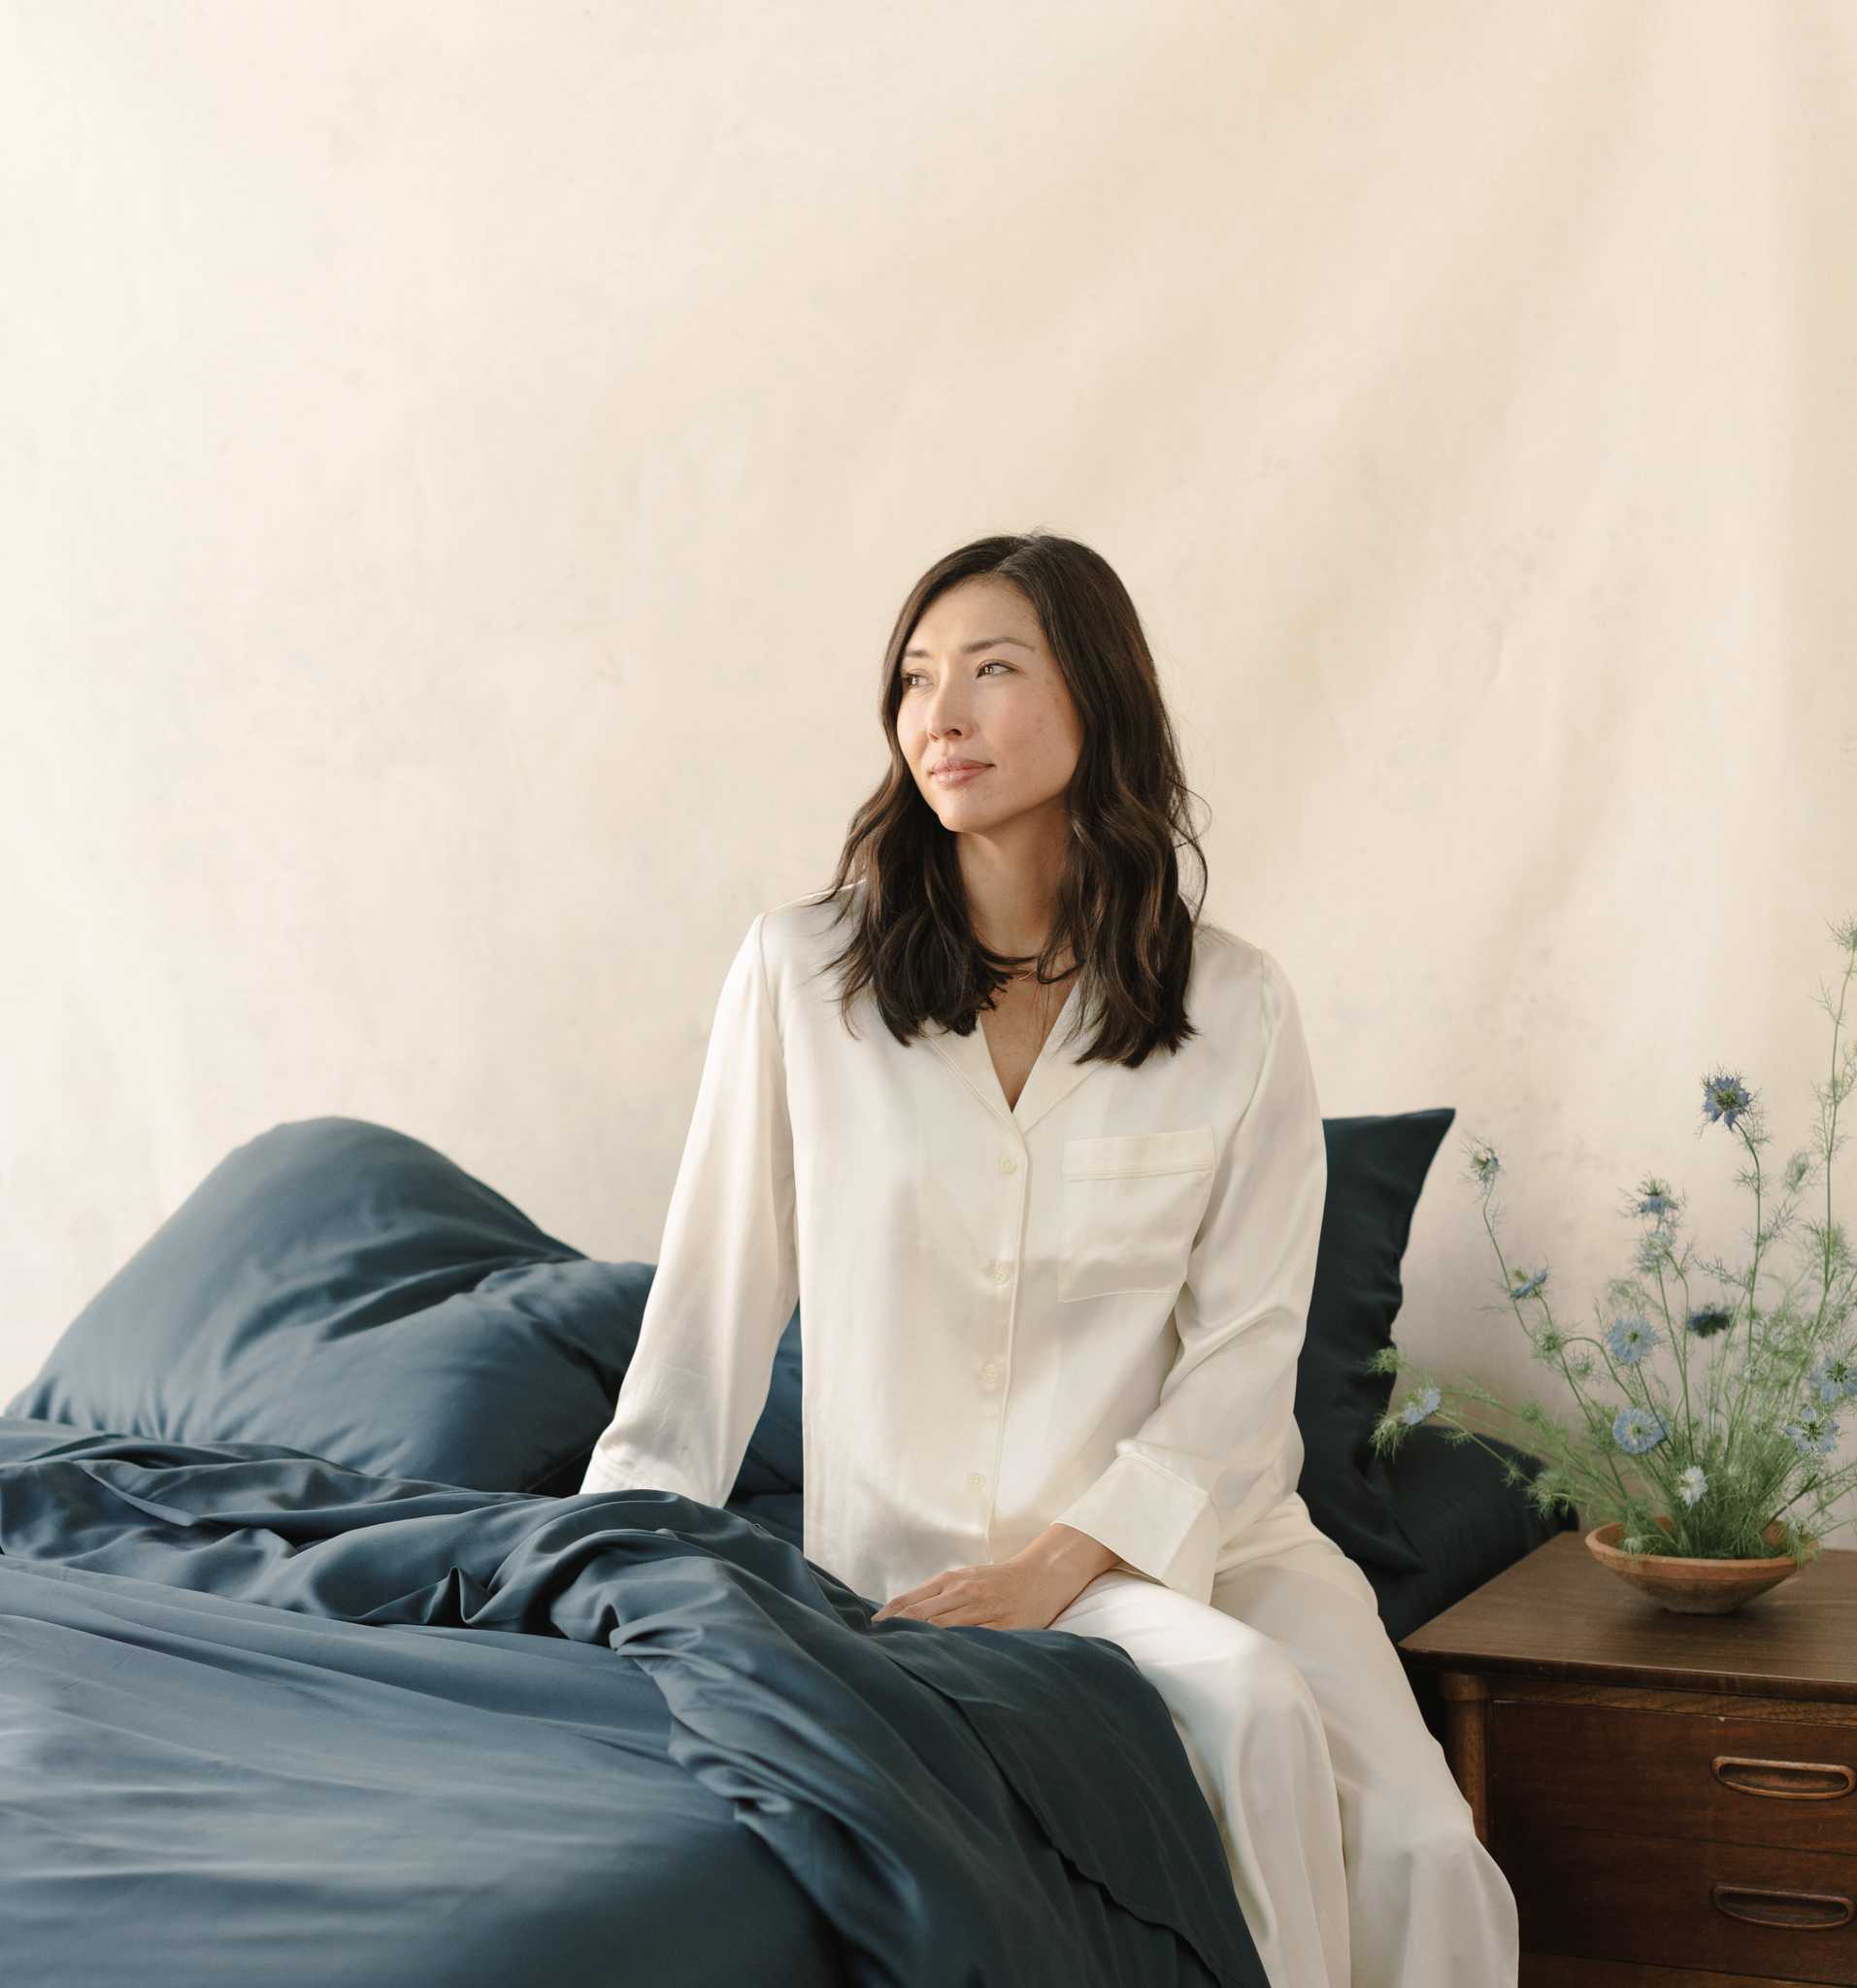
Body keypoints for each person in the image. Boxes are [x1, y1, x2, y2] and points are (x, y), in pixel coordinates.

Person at [581, 531, 1520, 1987]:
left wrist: (1073, 1556)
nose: (937, 715)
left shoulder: (1235, 1006)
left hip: (1212, 1536)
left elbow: (1244, 1353)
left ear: (1098, 699)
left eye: (991, 671)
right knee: (1243, 1713)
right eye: (913, 678)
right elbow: (709, 1310)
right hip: (925, 1552)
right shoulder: (800, 976)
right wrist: (606, 1562)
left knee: (1425, 1857)